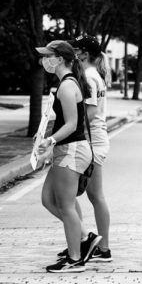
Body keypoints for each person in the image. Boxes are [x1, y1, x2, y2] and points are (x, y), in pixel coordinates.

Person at [36, 40, 102, 273]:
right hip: (67, 149)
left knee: (65, 206)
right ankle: (85, 236)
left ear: (60, 59)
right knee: (48, 199)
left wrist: (50, 140)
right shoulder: (67, 83)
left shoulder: (66, 86)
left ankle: (75, 258)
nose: (44, 61)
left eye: (48, 56)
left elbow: (73, 124)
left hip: (71, 149)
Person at [59, 34, 113, 263]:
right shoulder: (93, 74)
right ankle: (85, 241)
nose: (74, 52)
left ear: (84, 54)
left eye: (77, 49)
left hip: (92, 140)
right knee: (84, 195)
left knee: (93, 196)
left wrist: (69, 129)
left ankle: (101, 247)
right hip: (95, 139)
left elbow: (89, 113)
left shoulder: (89, 77)